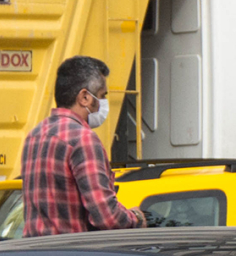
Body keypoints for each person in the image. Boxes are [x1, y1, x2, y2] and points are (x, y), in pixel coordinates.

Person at [14, 55, 146, 236]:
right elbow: (107, 217)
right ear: (84, 97)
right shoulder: (83, 140)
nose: (102, 104)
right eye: (101, 96)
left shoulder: (35, 136)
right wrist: (135, 218)